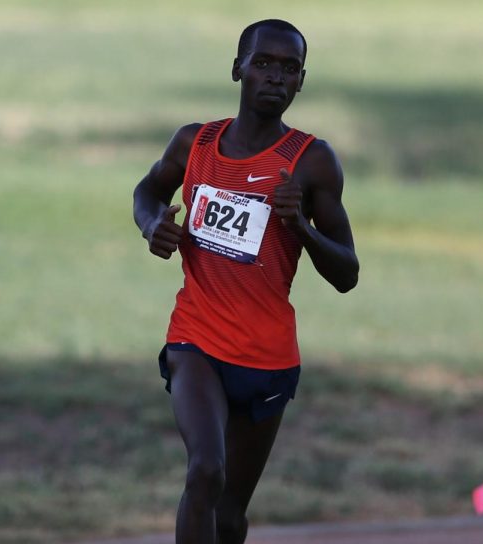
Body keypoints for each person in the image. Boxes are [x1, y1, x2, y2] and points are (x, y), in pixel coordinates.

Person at [132, 19, 359, 544]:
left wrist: (300, 227)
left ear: (302, 81)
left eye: (289, 69)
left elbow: (347, 272)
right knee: (205, 471)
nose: (275, 78)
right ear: (238, 68)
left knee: (230, 514)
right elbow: (149, 189)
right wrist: (152, 224)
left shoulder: (312, 162)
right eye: (263, 64)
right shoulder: (196, 142)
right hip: (197, 339)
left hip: (268, 358)